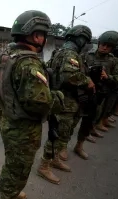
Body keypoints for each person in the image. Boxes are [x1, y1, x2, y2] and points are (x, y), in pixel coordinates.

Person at [0, 10, 64, 199]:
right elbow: (39, 102)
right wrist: (58, 97)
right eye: (42, 34)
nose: (43, 39)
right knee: (19, 165)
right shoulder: (28, 63)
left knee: (13, 162)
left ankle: (11, 190)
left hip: (9, 118)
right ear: (35, 36)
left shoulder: (5, 56)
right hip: (22, 126)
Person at [38, 25, 94, 185]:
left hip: (67, 102)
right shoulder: (70, 54)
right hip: (64, 102)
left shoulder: (59, 52)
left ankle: (54, 159)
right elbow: (69, 76)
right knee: (56, 136)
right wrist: (87, 81)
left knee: (63, 134)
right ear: (81, 39)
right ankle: (44, 166)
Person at [82, 31, 118, 134]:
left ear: (112, 48)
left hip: (102, 92)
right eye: (103, 45)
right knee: (84, 116)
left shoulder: (114, 60)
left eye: (108, 46)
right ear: (99, 43)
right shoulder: (86, 56)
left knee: (98, 113)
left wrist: (107, 76)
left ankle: (92, 129)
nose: (104, 48)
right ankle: (84, 135)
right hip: (86, 91)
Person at [0, 42, 16, 128]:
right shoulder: (6, 56)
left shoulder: (2, 56)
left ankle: (2, 121)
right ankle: (2, 120)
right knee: (4, 103)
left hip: (3, 83)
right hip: (4, 83)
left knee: (2, 102)